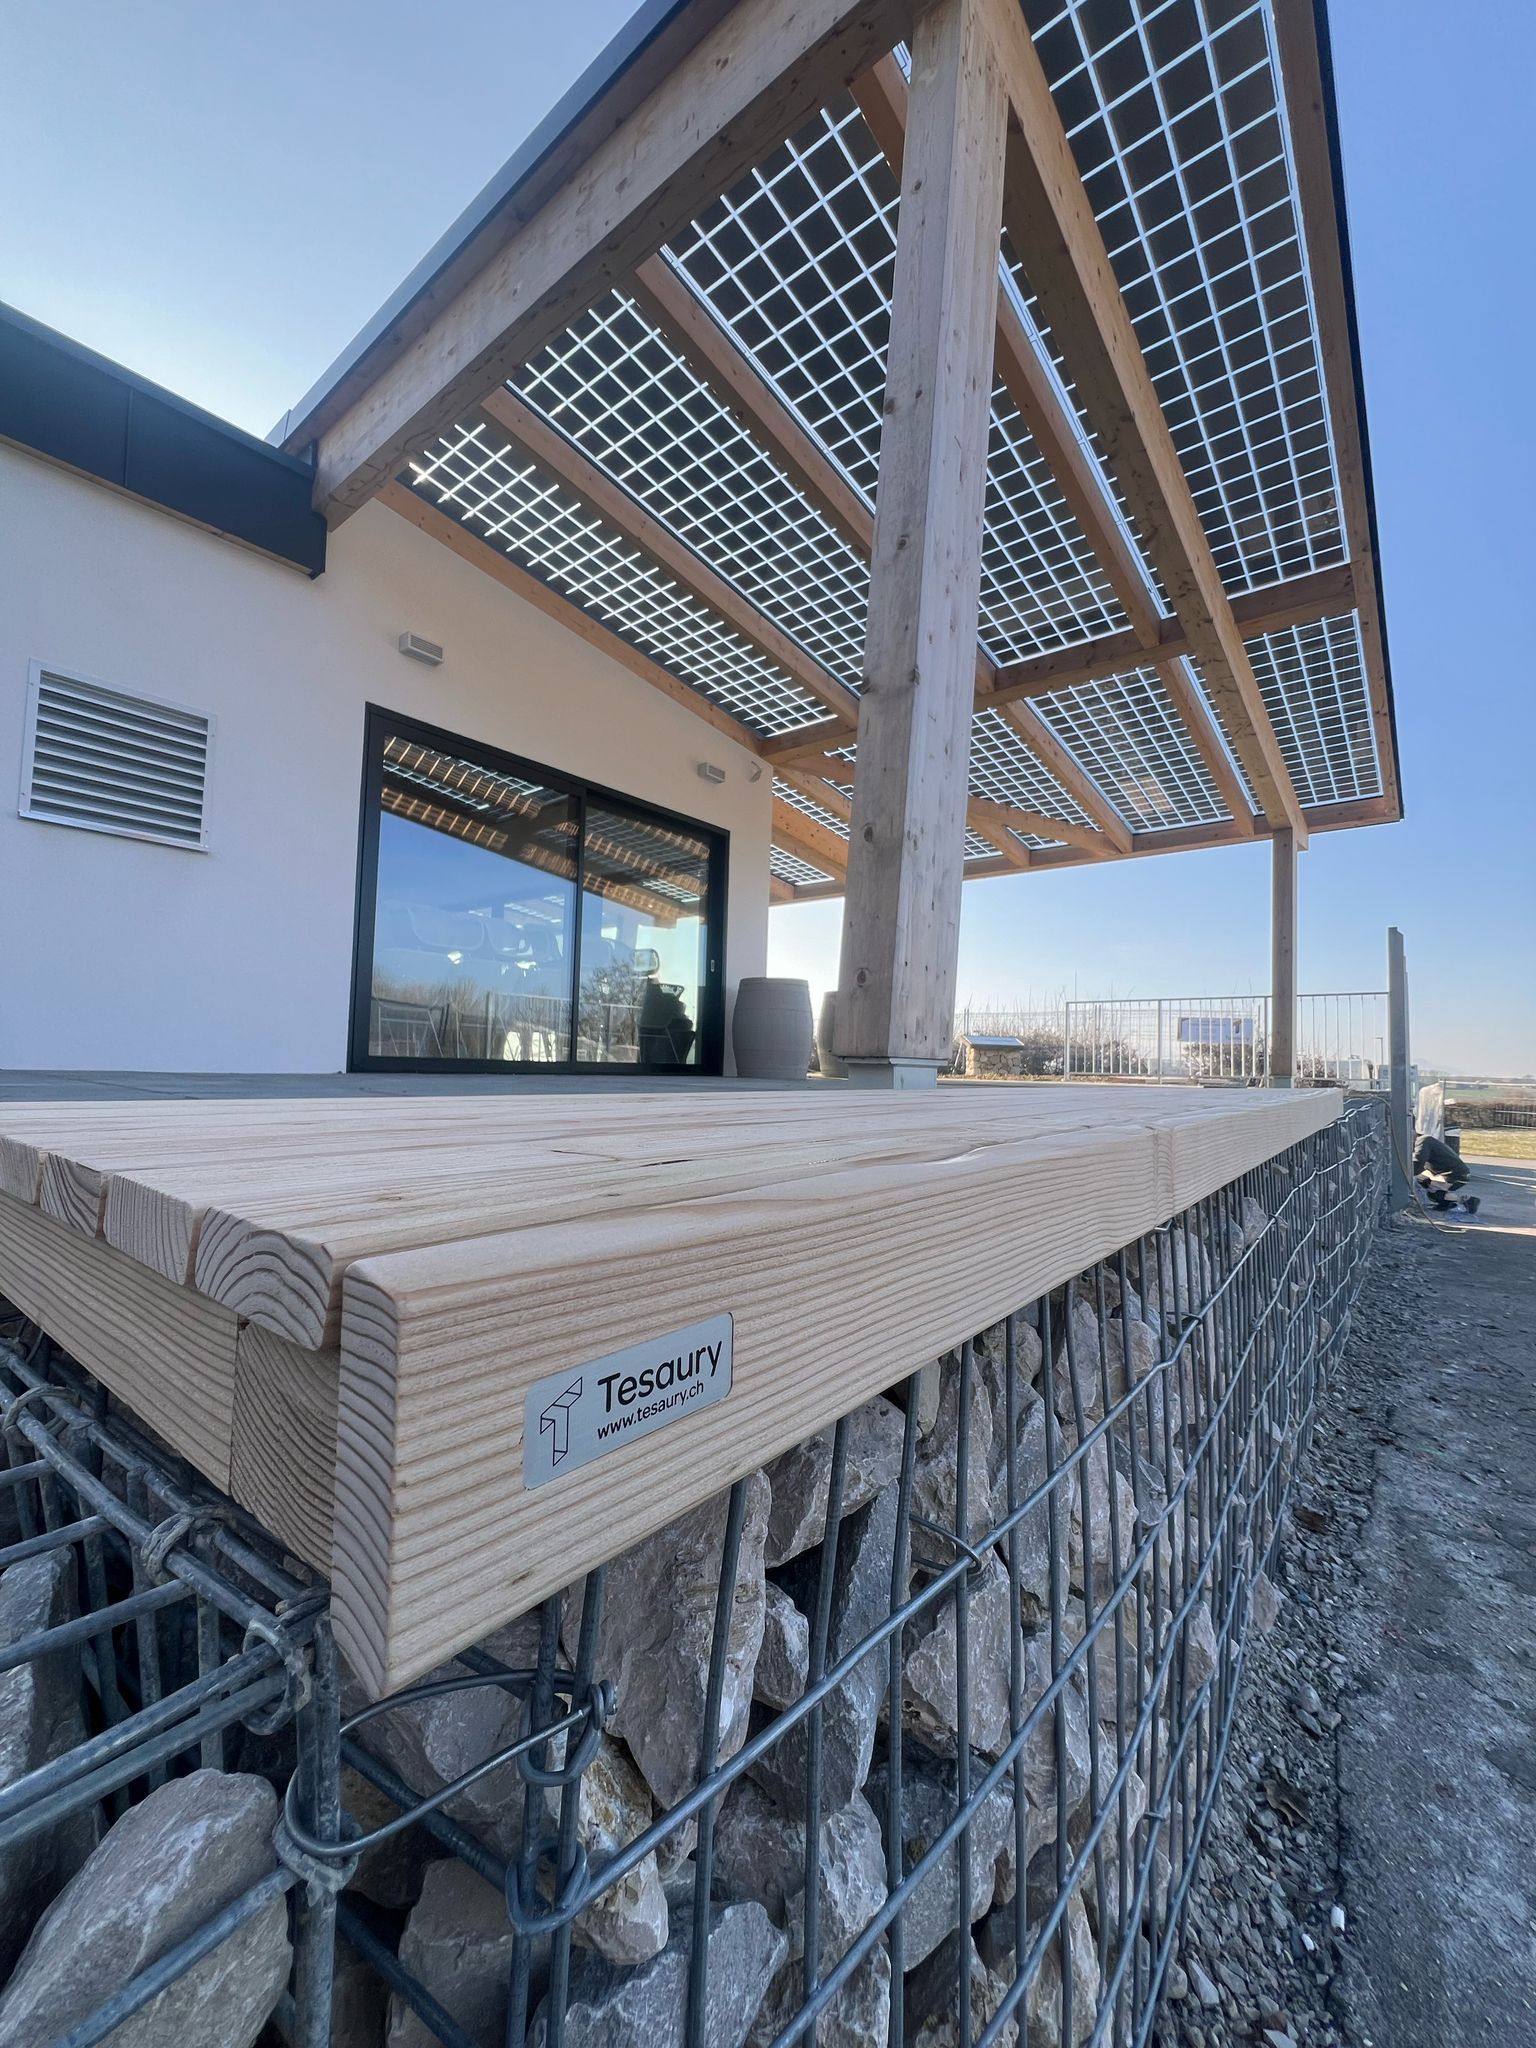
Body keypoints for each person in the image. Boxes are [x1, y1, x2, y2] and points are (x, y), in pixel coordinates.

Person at [1413, 1130, 1479, 1213]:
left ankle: (1467, 1200)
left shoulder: (1422, 1141)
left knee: (1435, 1192)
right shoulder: (1426, 1140)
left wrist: (1410, 1173)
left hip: (1455, 1174)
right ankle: (1447, 1202)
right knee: (1423, 1180)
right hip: (1454, 1173)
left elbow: (1419, 1162)